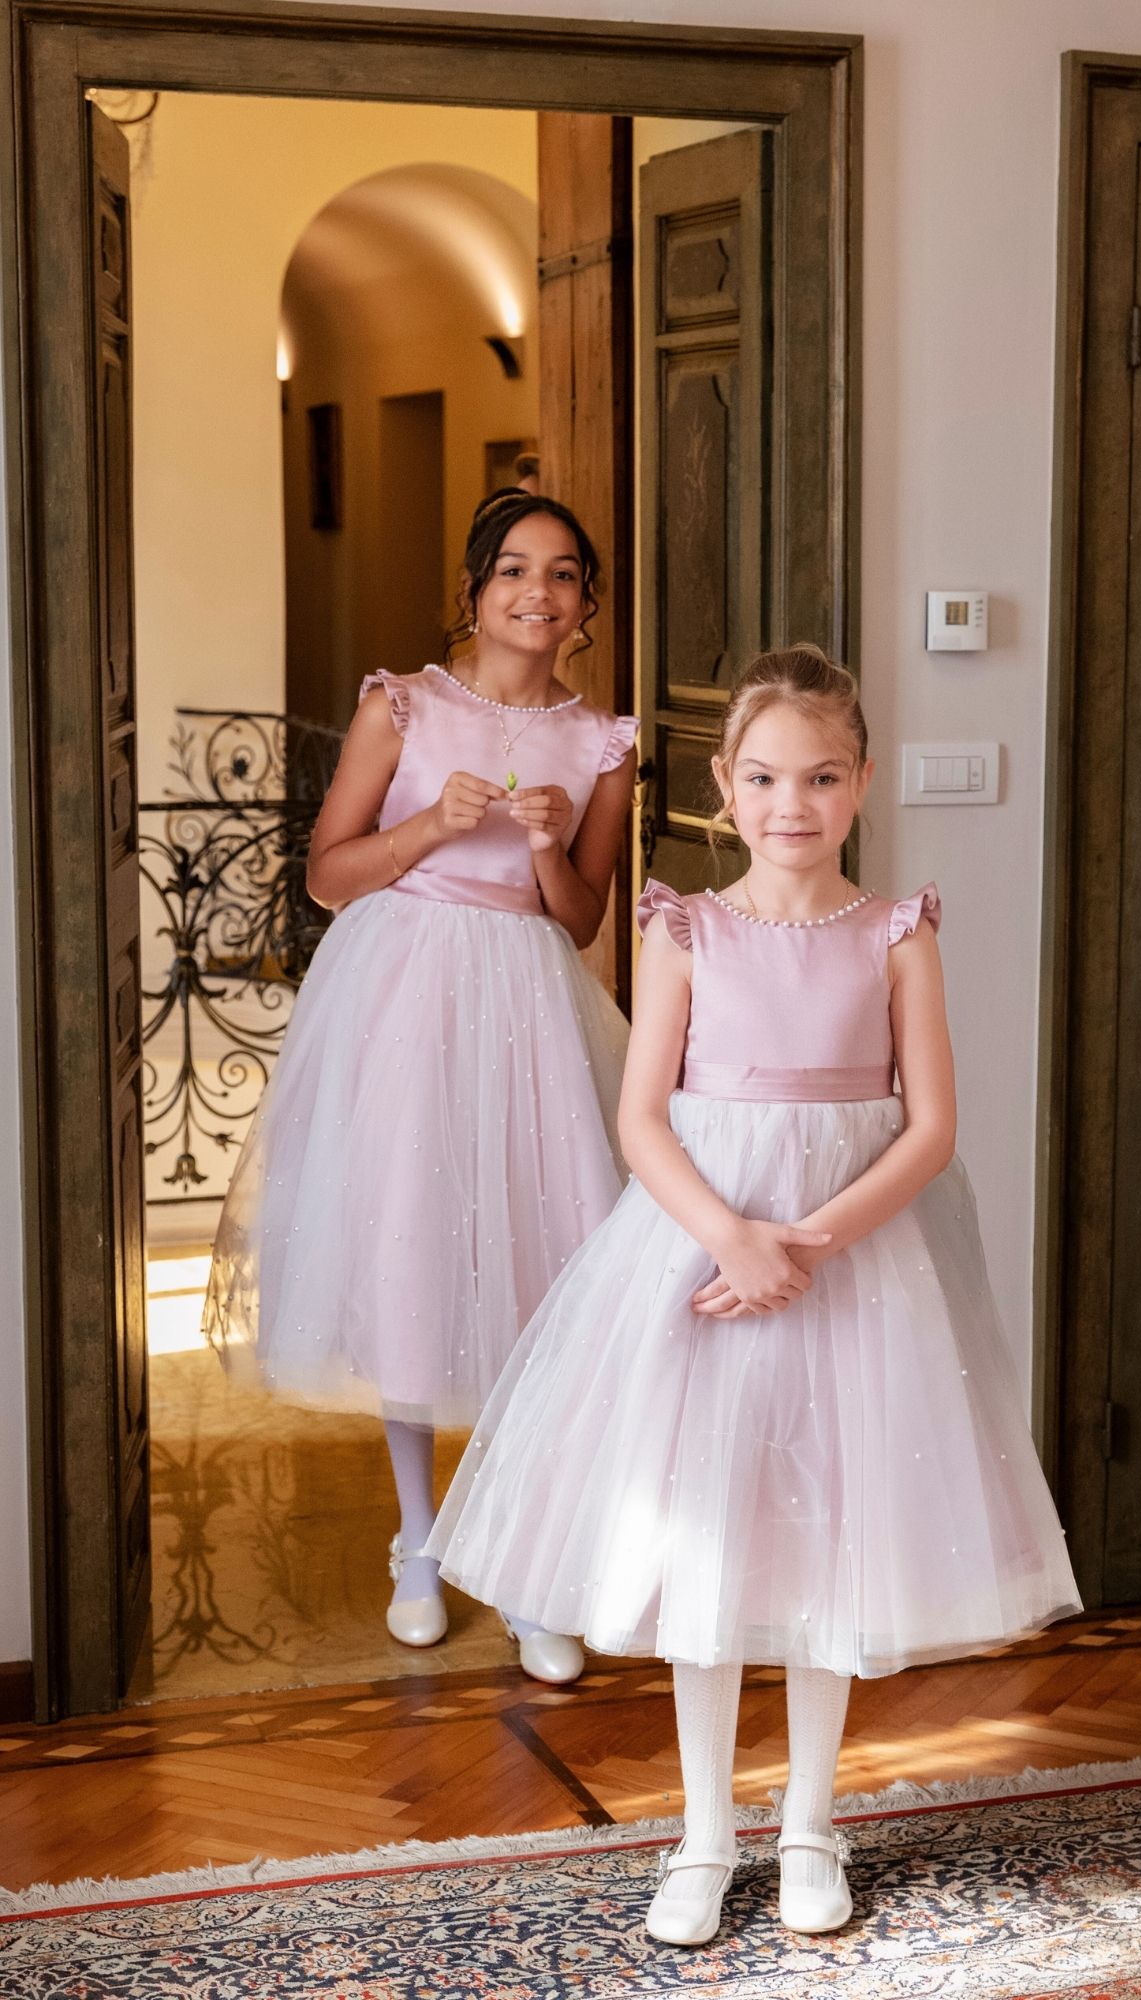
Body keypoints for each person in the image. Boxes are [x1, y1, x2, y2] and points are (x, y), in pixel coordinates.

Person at [428, 644, 1081, 1942]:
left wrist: (808, 1246)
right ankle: (705, 1833)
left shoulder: (897, 934)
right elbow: (642, 1121)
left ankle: (810, 1826)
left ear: (862, 783)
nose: (794, 803)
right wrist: (734, 1242)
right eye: (768, 777)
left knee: (834, 1537)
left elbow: (929, 1129)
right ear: (725, 785)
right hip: (700, 1266)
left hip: (854, 1271)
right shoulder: (684, 928)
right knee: (709, 1539)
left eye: (822, 777)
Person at [203, 488, 637, 1683]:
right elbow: (328, 873)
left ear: (586, 605)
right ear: (474, 590)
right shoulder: (402, 704)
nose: (538, 592)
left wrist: (544, 846)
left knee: (538, 1267)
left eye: (562, 574)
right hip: (398, 995)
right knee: (408, 1246)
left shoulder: (603, 745)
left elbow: (582, 918)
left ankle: (521, 1559)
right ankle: (418, 1539)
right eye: (514, 569)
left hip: (528, 1010)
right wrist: (430, 830)